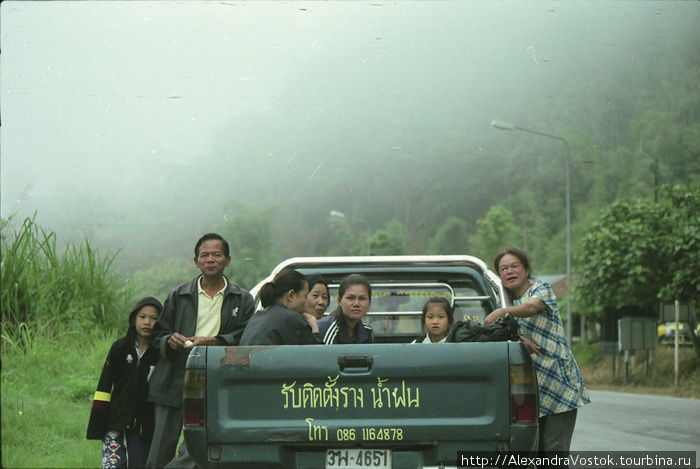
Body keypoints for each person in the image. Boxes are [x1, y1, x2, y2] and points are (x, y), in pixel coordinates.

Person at [146, 233, 255, 468]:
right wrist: (169, 340)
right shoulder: (179, 295)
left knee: (199, 449)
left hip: (216, 378)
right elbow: (157, 335)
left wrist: (215, 341)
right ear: (196, 261)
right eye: (204, 255)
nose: (210, 259)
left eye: (217, 254)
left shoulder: (242, 299)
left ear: (228, 260)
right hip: (175, 377)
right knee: (161, 446)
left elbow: (246, 336)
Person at [483, 246, 589, 454]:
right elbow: (503, 333)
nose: (509, 271)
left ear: (527, 270)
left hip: (558, 385)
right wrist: (520, 337)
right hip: (530, 390)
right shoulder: (506, 303)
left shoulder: (540, 290)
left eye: (514, 266)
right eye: (503, 269)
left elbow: (531, 308)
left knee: (554, 451)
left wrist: (502, 312)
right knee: (535, 452)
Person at [87, 296, 163, 469]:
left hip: (146, 424)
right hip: (116, 420)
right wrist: (98, 423)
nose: (147, 322)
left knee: (139, 463)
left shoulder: (160, 353)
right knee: (114, 464)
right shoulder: (120, 348)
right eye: (142, 317)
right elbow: (104, 385)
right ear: (133, 319)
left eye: (153, 318)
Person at [239, 269, 322, 345]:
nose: (306, 302)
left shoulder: (256, 317)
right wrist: (315, 329)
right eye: (305, 296)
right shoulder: (292, 319)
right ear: (291, 295)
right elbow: (316, 356)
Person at [318, 274, 373, 344]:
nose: (356, 304)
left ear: (369, 302)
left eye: (362, 298)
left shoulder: (366, 330)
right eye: (351, 298)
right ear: (339, 301)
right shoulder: (327, 329)